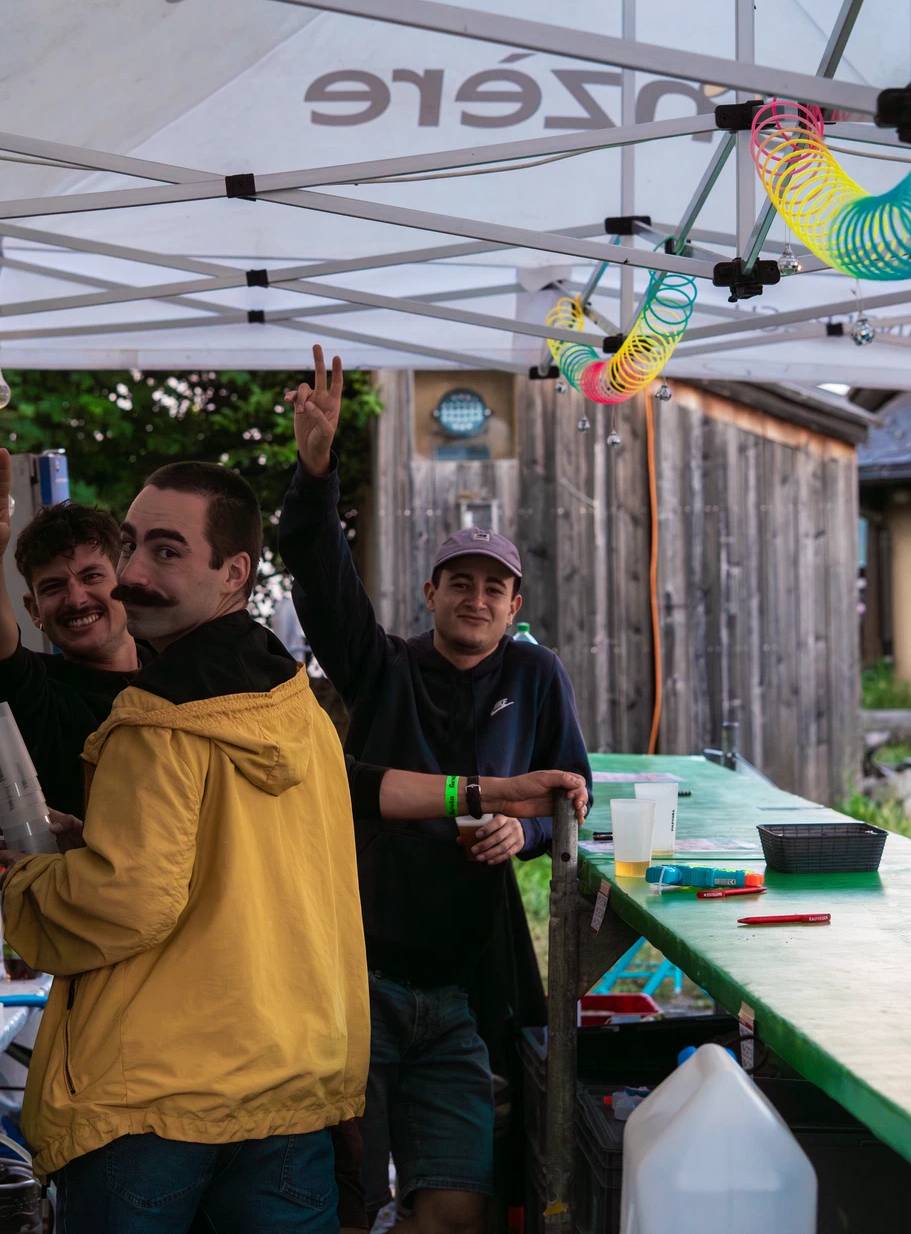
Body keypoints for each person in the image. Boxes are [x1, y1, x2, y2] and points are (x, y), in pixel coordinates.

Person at [0, 460, 367, 1233]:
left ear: (233, 572)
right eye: (131, 545)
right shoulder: (296, 705)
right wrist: (92, 842)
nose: (132, 573)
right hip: (290, 1085)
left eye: (165, 551)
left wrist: (29, 883)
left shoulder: (154, 722)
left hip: (155, 1103)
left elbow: (129, 898)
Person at [280, 346, 593, 1234]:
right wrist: (316, 468)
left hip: (463, 984)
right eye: (461, 581)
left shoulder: (536, 676)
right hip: (359, 974)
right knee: (351, 1200)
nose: (477, 597)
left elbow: (571, 792)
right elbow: (318, 570)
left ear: (514, 603)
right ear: (431, 592)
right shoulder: (382, 668)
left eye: (495, 587)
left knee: (458, 1209)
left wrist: (520, 838)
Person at [0, 449, 136, 848]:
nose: (76, 598)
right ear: (34, 611)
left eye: (92, 576)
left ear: (125, 583)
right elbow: (2, 658)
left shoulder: (180, 672)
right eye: (53, 587)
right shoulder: (42, 691)